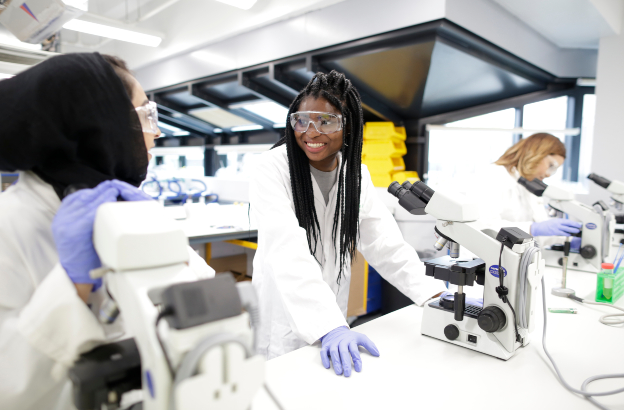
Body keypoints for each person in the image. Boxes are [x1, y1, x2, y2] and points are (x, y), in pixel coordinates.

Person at [0, 53, 214, 410]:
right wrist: (72, 286)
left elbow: (207, 308)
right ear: (101, 123)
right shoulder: (11, 222)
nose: (157, 131)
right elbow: (6, 383)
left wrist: (163, 239)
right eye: (147, 115)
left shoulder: (126, 207)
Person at [249, 71, 444, 376]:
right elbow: (286, 249)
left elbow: (383, 244)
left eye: (326, 121)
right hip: (283, 315)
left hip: (332, 312)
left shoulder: (355, 175)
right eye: (302, 120)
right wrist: (328, 325)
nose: (311, 132)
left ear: (348, 126)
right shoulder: (271, 167)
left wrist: (432, 293)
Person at [473, 133, 582, 248]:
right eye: (551, 165)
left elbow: (537, 235)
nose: (549, 174)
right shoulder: (493, 175)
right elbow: (484, 226)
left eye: (554, 170)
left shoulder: (528, 185)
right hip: (487, 259)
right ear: (535, 153)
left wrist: (567, 240)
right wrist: (532, 228)